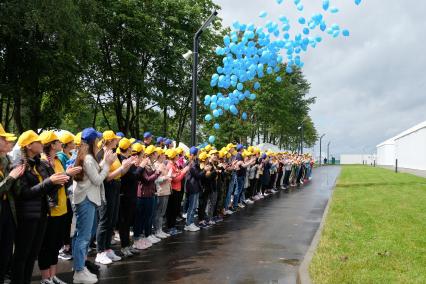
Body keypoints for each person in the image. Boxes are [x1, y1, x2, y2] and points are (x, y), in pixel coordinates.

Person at [12, 130, 69, 284]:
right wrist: (50, 182)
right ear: (29, 146)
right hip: (27, 217)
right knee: (22, 256)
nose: (41, 143)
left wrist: (60, 179)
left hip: (42, 215)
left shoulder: (39, 163)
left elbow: (46, 189)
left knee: (32, 255)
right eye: (38, 141)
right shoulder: (19, 164)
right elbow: (24, 193)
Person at [72, 128, 116, 284]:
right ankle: (78, 271)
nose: (99, 141)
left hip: (87, 199)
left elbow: (95, 173)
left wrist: (105, 161)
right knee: (83, 238)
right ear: (93, 142)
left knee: (82, 236)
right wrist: (108, 164)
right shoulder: (88, 158)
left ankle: (80, 267)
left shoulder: (88, 157)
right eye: (97, 139)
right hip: (86, 200)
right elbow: (98, 180)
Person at [37, 131, 82, 284]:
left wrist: (69, 175)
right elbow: (48, 186)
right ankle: (45, 278)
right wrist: (67, 174)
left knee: (56, 244)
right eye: (56, 141)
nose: (59, 143)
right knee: (47, 246)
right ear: (51, 145)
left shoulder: (56, 160)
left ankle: (53, 276)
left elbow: (64, 181)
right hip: (51, 210)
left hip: (62, 207)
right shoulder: (42, 162)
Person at [95, 131, 133, 265]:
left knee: (112, 219)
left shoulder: (113, 153)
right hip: (107, 188)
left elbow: (119, 173)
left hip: (116, 186)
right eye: (115, 139)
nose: (117, 141)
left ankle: (107, 248)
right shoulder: (101, 154)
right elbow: (106, 177)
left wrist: (126, 166)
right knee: (104, 220)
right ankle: (100, 252)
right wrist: (122, 167)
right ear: (110, 140)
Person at [0, 125, 24, 283]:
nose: (9, 142)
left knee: (6, 249)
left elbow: (14, 190)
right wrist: (12, 177)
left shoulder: (6, 159)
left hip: (7, 209)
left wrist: (18, 173)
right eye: (4, 139)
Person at [117, 139, 145, 257]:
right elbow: (132, 177)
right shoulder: (123, 160)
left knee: (128, 222)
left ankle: (127, 245)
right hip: (125, 195)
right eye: (130, 148)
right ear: (128, 149)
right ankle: (124, 247)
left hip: (131, 194)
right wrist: (141, 167)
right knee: (124, 222)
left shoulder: (127, 160)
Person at [133, 145, 161, 249]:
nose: (157, 154)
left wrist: (156, 172)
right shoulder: (142, 164)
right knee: (140, 218)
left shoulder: (149, 163)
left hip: (150, 193)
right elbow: (147, 179)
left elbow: (150, 176)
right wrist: (158, 173)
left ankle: (144, 236)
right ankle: (137, 238)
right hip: (142, 194)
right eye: (155, 153)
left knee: (148, 216)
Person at [57, 131, 76, 261]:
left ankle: (67, 244)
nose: (74, 143)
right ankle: (62, 247)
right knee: (63, 222)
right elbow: (64, 174)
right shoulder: (60, 156)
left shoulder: (70, 154)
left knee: (69, 220)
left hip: (69, 192)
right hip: (63, 192)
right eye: (72, 142)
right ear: (66, 144)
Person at [165, 148, 188, 235]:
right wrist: (183, 172)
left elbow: (177, 174)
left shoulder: (174, 164)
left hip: (177, 189)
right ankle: (170, 227)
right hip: (173, 190)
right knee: (171, 210)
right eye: (177, 155)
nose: (178, 156)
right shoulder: (170, 165)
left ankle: (172, 226)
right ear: (174, 157)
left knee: (174, 209)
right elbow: (175, 179)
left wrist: (180, 172)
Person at [184, 147, 206, 232]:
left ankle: (190, 222)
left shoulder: (194, 162)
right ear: (194, 154)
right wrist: (204, 170)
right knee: (192, 206)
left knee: (193, 206)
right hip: (192, 187)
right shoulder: (192, 163)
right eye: (198, 153)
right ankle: (188, 224)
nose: (199, 154)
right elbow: (197, 175)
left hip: (194, 187)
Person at [153, 148, 172, 239]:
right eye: (163, 154)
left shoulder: (162, 164)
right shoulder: (156, 165)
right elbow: (156, 180)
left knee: (162, 212)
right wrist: (166, 178)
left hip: (166, 190)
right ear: (160, 155)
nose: (165, 155)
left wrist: (168, 177)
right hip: (160, 191)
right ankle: (157, 230)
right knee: (159, 212)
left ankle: (160, 229)